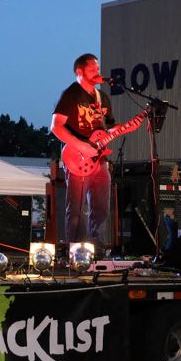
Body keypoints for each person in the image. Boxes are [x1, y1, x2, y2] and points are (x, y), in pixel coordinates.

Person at [51, 53, 116, 253]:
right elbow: (56, 127)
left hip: (101, 160)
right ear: (80, 72)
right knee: (77, 209)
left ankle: (97, 250)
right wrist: (81, 146)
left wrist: (121, 129)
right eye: (92, 69)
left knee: (101, 208)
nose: (97, 72)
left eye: (98, 68)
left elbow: (109, 127)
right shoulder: (71, 94)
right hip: (78, 159)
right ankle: (76, 251)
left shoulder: (102, 97)